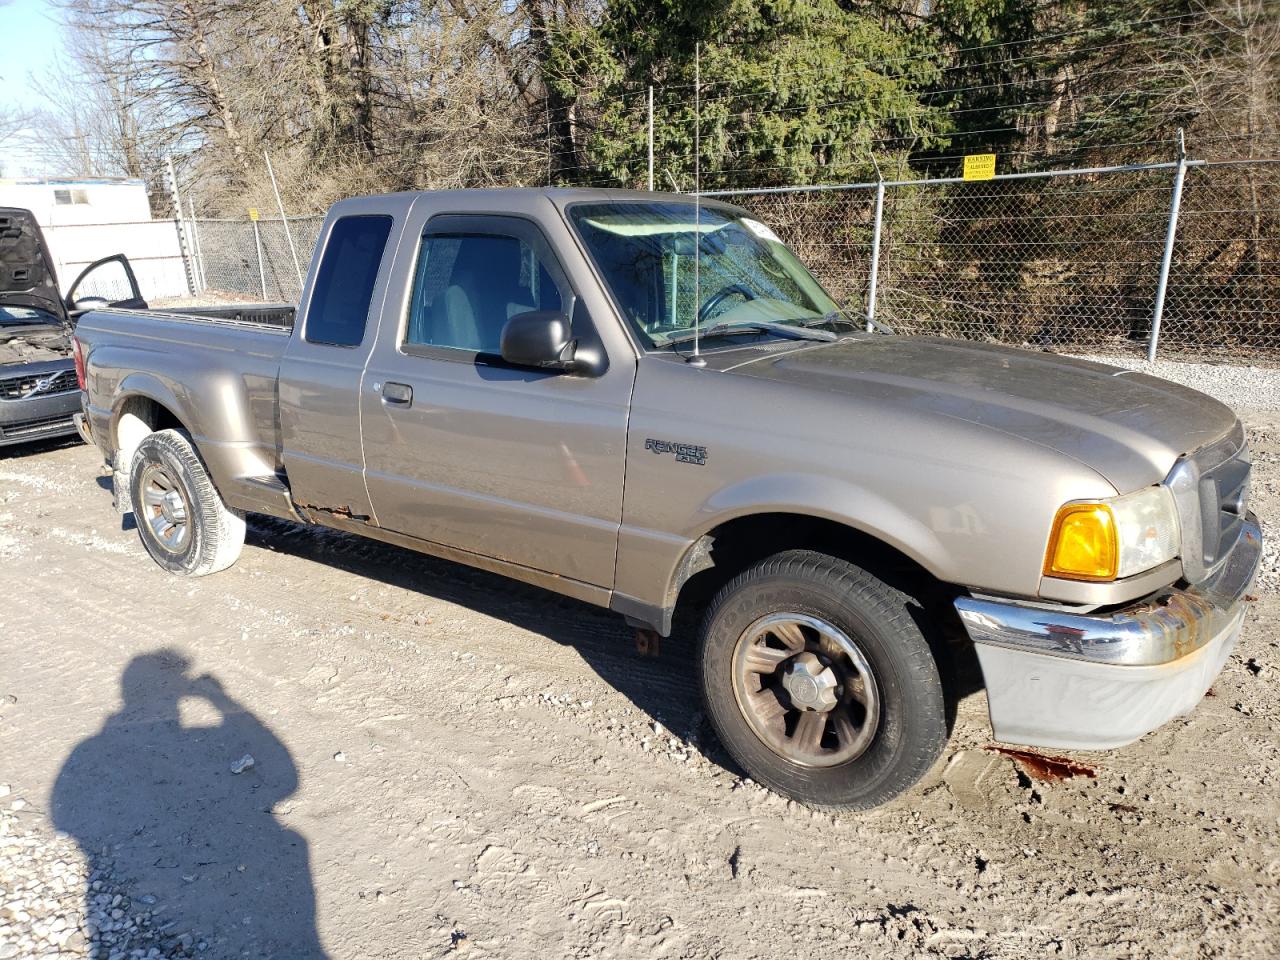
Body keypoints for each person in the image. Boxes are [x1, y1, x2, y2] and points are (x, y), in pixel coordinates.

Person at [52, 650, 325, 958]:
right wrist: (220, 700)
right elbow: (286, 777)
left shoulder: (90, 748)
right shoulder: (93, 747)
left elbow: (63, 817)